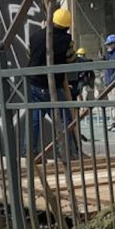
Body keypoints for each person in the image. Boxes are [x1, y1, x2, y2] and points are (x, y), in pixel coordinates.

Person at [23, 8, 77, 157]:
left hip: (34, 82)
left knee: (35, 119)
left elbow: (30, 53)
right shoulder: (66, 41)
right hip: (52, 84)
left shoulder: (36, 36)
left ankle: (30, 151)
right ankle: (68, 151)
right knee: (65, 117)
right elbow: (71, 59)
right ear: (67, 26)